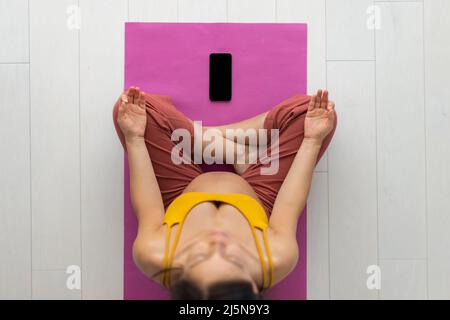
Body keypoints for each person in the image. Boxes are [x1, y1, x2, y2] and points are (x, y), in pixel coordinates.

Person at [112, 87, 337, 299]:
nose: (218, 239)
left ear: (179, 279)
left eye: (199, 256)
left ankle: (215, 142)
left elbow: (148, 206)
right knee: (312, 113)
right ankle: (232, 151)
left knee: (131, 111)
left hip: (181, 189)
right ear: (254, 285)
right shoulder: (276, 258)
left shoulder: (153, 254)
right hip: (260, 193)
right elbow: (289, 205)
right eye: (235, 259)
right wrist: (312, 139)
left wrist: (135, 138)